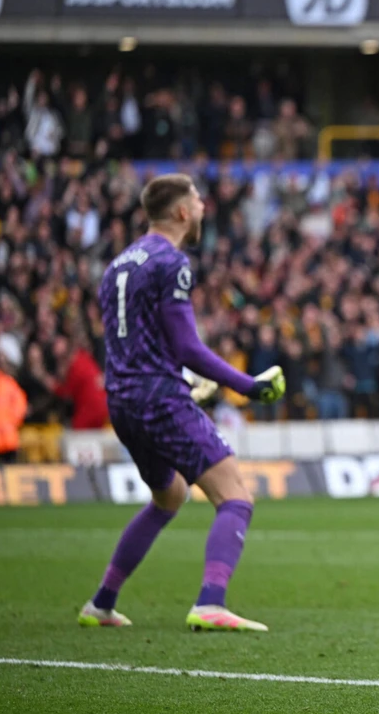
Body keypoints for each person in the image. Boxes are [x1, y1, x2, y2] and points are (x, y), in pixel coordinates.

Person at [79, 174, 287, 633]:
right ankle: (211, 602)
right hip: (157, 398)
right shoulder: (172, 261)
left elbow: (135, 342)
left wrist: (181, 381)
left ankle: (102, 602)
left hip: (123, 400)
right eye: (196, 200)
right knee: (235, 494)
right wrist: (246, 385)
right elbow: (187, 346)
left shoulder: (118, 265)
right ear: (179, 212)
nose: (203, 206)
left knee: (169, 495)